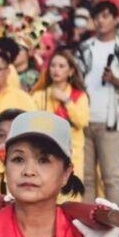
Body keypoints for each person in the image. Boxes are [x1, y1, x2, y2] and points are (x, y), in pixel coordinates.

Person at [74, 1, 119, 205]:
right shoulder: (85, 47)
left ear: (115, 20)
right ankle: (85, 227)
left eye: (105, 16)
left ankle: (114, 227)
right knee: (85, 178)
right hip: (84, 119)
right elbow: (74, 76)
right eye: (97, 17)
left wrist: (115, 80)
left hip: (112, 122)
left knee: (111, 178)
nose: (100, 20)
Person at [30, 50, 90, 180]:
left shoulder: (79, 96)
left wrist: (66, 100)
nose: (56, 70)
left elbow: (82, 121)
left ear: (71, 71)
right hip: (45, 153)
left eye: (61, 66)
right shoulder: (38, 96)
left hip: (72, 153)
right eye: (53, 65)